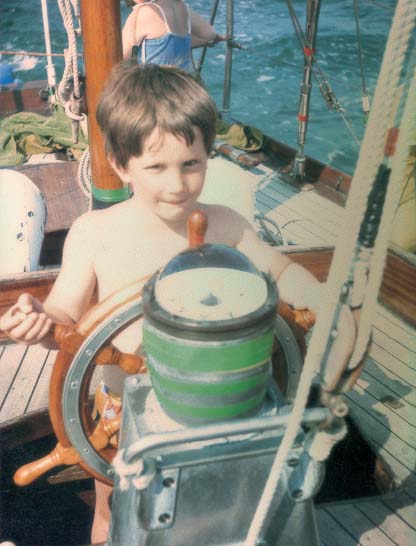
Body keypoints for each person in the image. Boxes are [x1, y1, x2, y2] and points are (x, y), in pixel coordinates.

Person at [0, 62, 357, 544]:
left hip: (217, 407)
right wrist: (41, 323)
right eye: (156, 167)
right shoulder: (94, 235)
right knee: (111, 507)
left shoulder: (227, 225)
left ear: (209, 156)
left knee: (220, 503)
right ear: (122, 165)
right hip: (120, 411)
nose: (177, 184)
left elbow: (282, 273)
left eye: (191, 164)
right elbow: (64, 316)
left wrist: (321, 298)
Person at [122, 0, 227, 70]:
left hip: (155, 92)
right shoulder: (182, 7)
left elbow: (120, 56)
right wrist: (176, 44)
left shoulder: (144, 12)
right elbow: (209, 34)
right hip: (183, 89)